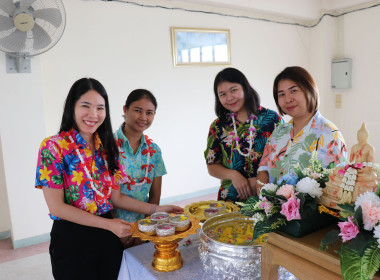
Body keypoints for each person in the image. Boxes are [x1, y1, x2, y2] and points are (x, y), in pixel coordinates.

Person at [35, 78, 182, 280]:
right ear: (72, 107)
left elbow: (116, 198)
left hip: (108, 235)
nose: (93, 115)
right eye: (85, 106)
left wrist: (159, 210)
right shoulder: (53, 147)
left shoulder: (106, 148)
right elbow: (56, 208)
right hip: (72, 238)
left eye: (100, 108)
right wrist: (109, 225)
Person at [257, 66, 348, 186]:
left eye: (293, 91)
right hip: (271, 204)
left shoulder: (330, 134)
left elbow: (339, 184)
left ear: (309, 90)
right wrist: (264, 202)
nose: (288, 99)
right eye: (281, 94)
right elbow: (263, 170)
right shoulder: (278, 132)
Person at [204, 67, 283, 202]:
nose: (229, 98)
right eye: (222, 94)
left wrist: (260, 179)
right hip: (230, 198)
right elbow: (212, 166)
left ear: (245, 88)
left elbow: (285, 159)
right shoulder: (217, 126)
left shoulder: (272, 119)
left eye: (233, 90)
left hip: (267, 195)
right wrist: (234, 175)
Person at [113, 89, 166, 247]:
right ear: (125, 109)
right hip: (112, 228)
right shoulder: (107, 146)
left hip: (144, 228)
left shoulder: (154, 151)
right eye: (138, 110)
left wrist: (144, 229)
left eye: (149, 113)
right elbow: (104, 196)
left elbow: (155, 195)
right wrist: (115, 226)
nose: (143, 118)